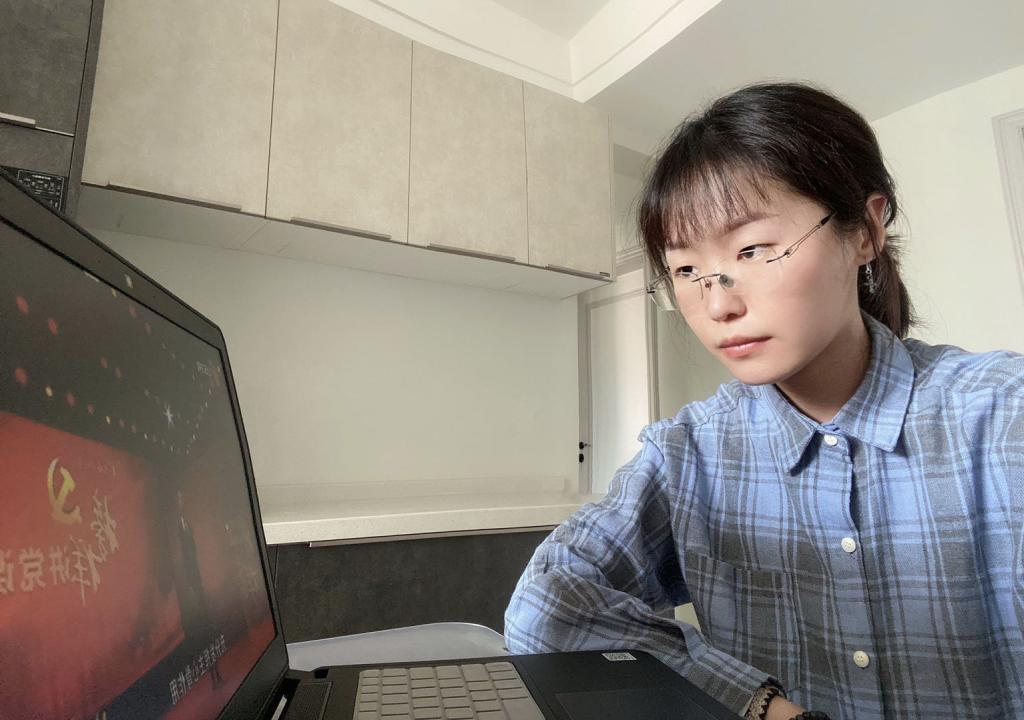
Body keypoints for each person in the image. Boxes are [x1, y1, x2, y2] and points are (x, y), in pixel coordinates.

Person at [504, 82, 1024, 720]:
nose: (718, 304)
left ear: (865, 230)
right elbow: (546, 605)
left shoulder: (1002, 414)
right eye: (686, 271)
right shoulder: (688, 452)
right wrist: (759, 705)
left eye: (752, 250)